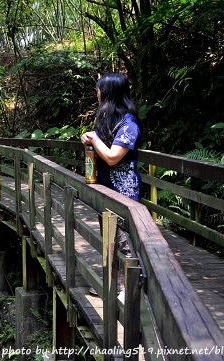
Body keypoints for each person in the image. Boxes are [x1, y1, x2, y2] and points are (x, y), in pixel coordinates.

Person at [80, 73, 140, 297]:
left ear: (108, 94)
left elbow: (113, 156)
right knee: (109, 239)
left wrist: (95, 139)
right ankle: (114, 286)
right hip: (107, 188)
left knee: (124, 241)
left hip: (124, 191)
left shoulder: (129, 124)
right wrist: (91, 139)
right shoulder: (110, 121)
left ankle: (131, 290)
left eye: (99, 90)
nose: (96, 94)